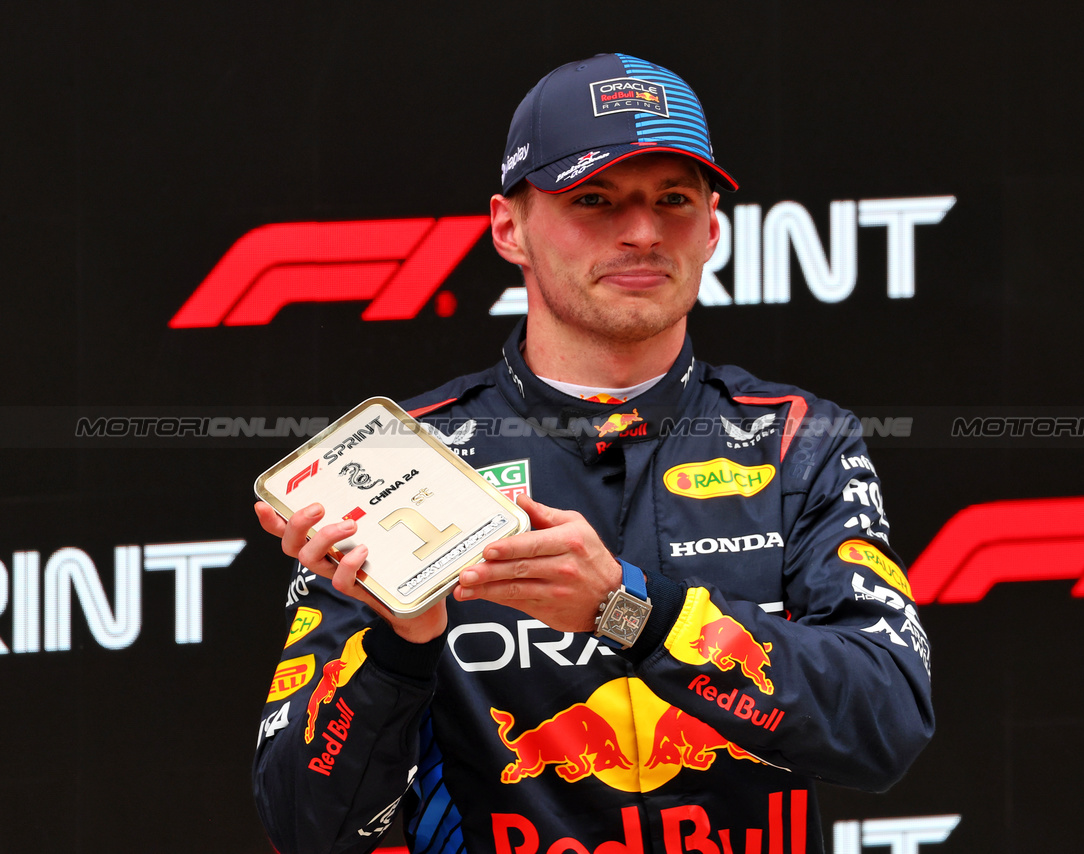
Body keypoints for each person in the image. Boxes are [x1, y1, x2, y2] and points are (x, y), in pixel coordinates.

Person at [252, 53, 933, 854]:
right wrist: (401, 646)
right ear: (509, 228)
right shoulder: (408, 458)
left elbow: (887, 729)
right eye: (594, 200)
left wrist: (630, 610)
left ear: (713, 228)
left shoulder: (797, 440)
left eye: (673, 200)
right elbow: (309, 830)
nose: (642, 231)